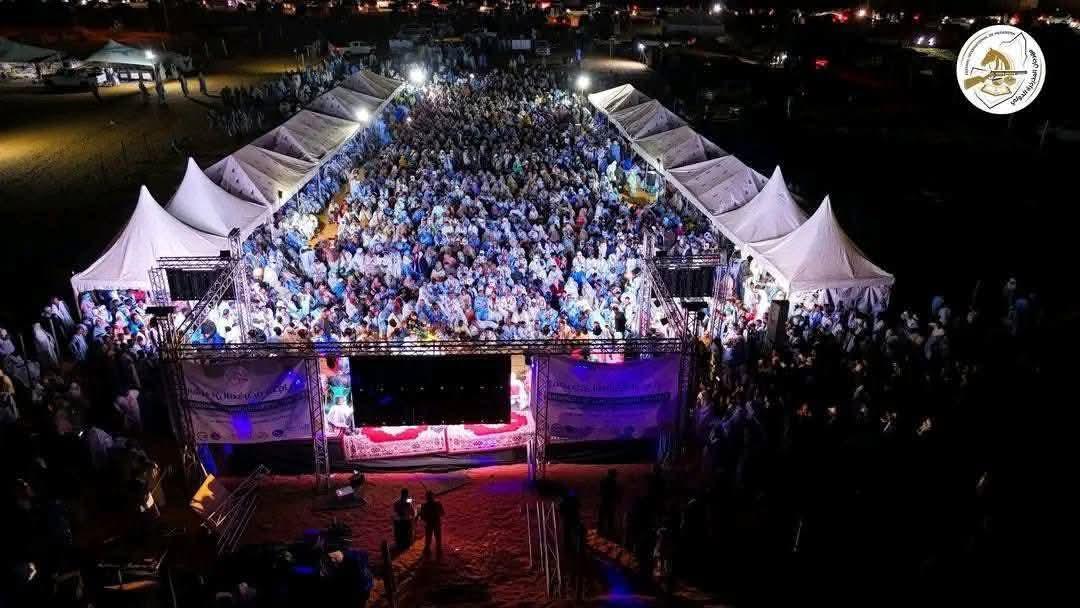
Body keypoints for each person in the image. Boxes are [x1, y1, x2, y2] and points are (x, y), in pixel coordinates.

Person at [419, 490, 445, 557]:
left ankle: (427, 549)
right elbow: (442, 513)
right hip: (436, 523)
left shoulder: (424, 505)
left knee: (428, 537)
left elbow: (422, 516)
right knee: (437, 537)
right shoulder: (438, 503)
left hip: (429, 524)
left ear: (426, 497)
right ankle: (438, 549)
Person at [598, 468, 619, 538]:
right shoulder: (613, 482)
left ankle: (601, 529)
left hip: (604, 500)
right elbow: (615, 492)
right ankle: (609, 530)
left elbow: (600, 490)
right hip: (609, 501)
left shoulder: (604, 480)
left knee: (603, 516)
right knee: (609, 516)